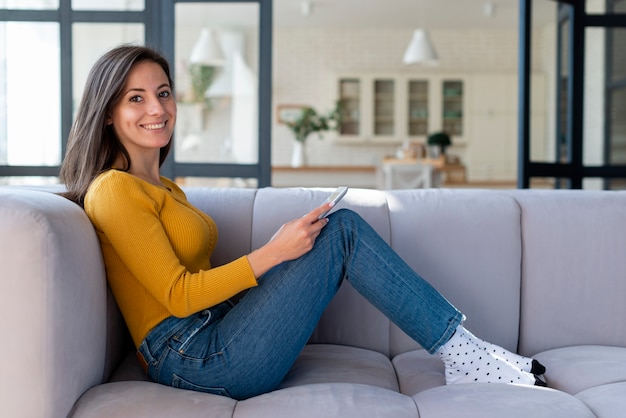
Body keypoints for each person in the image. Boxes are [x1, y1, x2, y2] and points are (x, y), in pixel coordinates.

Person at [60, 44, 546, 400]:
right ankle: (464, 351)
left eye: (163, 93)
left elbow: (201, 289)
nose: (158, 109)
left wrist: (281, 253)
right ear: (107, 114)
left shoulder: (166, 189)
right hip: (193, 358)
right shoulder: (114, 189)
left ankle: (466, 349)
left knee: (332, 228)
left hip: (214, 330)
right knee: (343, 231)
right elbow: (178, 295)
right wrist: (274, 254)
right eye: (136, 99)